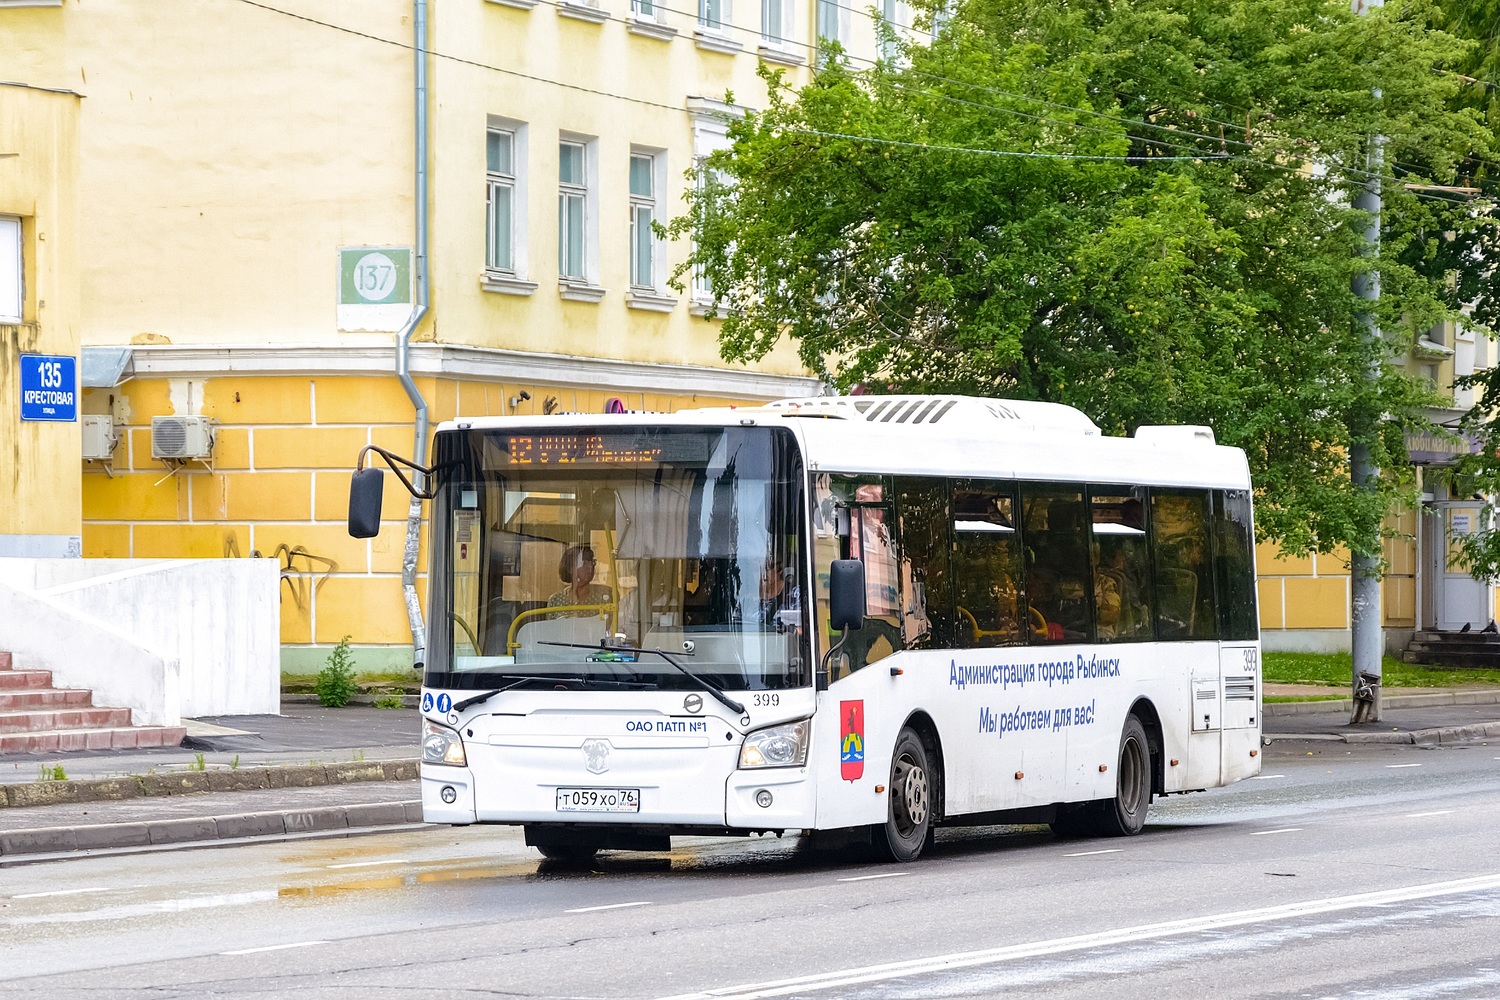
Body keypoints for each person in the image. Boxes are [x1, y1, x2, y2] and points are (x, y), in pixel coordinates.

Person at [547, 545, 611, 619]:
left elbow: (608, 625)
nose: (590, 566)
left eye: (592, 562)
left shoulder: (604, 594)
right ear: (570, 568)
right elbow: (551, 628)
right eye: (584, 563)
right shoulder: (556, 600)